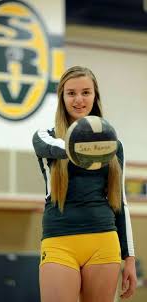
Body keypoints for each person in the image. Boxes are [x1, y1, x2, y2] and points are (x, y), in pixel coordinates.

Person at [32, 66, 137, 302]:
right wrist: (88, 144)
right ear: (62, 98)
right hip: (59, 240)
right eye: (71, 93)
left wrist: (129, 257)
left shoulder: (114, 145)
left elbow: (121, 202)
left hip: (104, 240)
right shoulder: (45, 137)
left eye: (86, 92)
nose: (79, 100)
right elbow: (57, 147)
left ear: (95, 96)